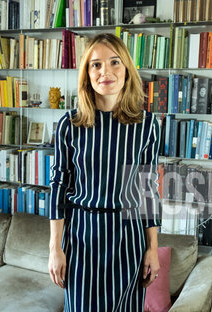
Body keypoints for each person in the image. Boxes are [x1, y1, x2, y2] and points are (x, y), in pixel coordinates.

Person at [48, 33, 162, 312]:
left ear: (127, 70)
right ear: (87, 74)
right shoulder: (70, 124)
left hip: (128, 238)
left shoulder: (147, 125)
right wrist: (55, 248)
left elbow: (149, 190)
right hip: (82, 237)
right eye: (96, 65)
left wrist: (153, 248)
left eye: (114, 62)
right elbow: (58, 186)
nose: (105, 72)